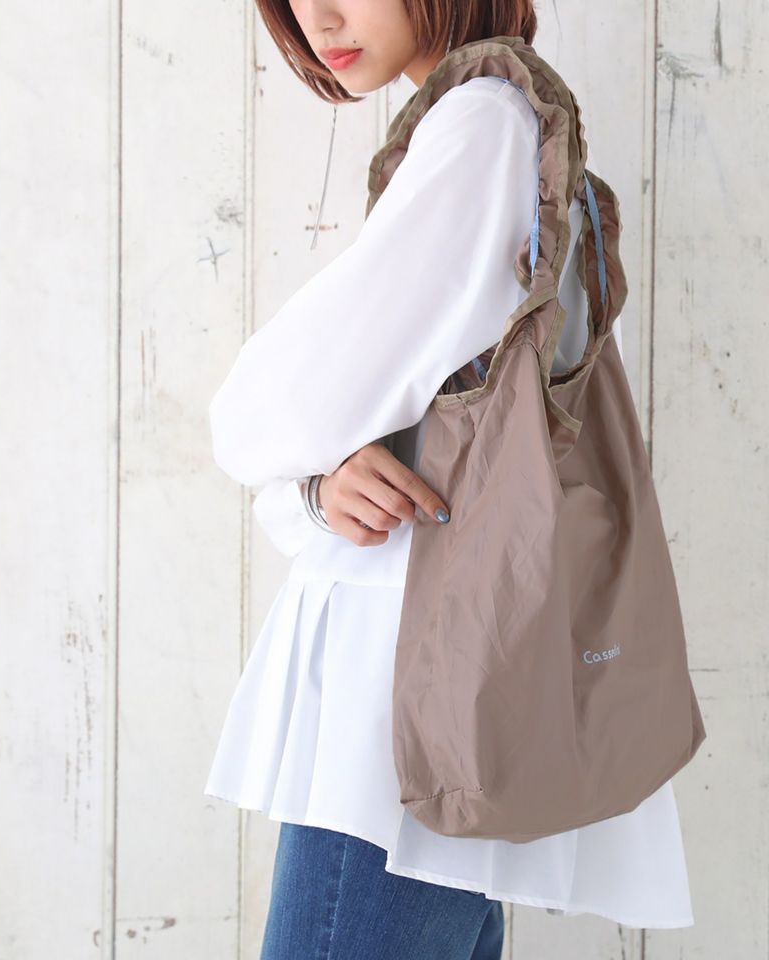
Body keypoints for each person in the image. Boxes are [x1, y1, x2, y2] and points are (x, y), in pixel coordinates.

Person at [203, 2, 696, 957]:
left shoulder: (484, 124)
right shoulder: (503, 123)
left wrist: (292, 481)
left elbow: (272, 405)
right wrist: (313, 491)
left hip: (403, 703)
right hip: (452, 682)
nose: (318, 16)